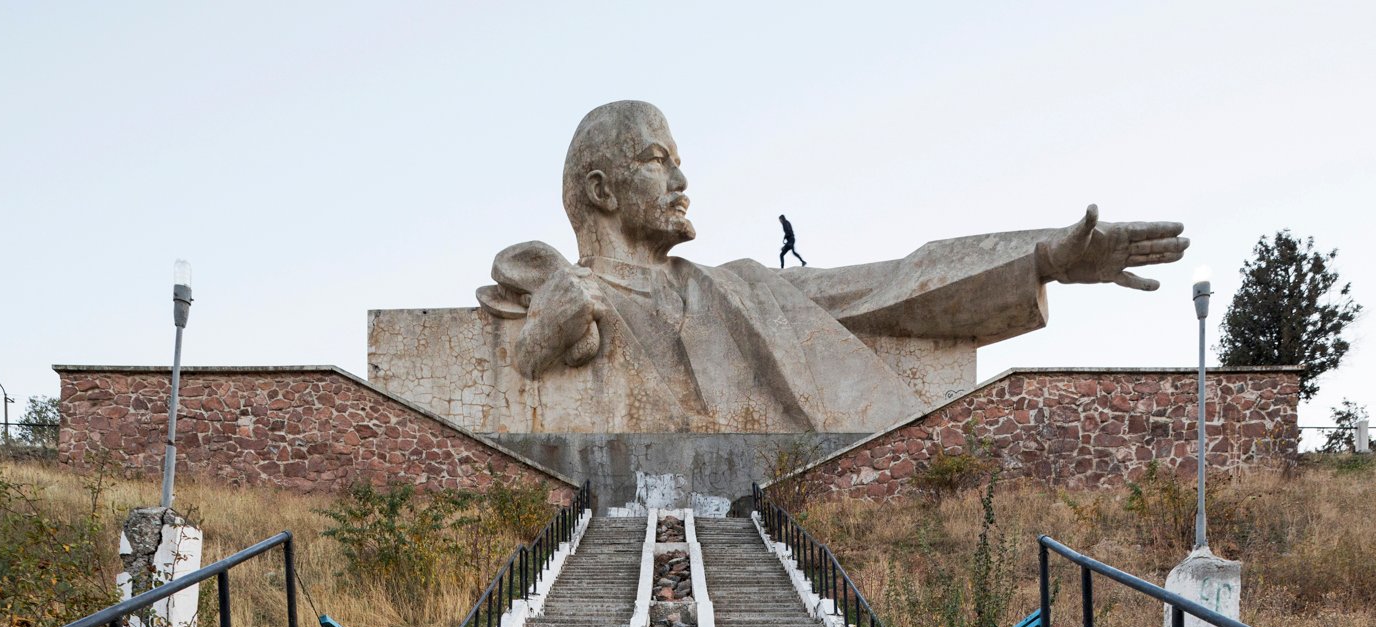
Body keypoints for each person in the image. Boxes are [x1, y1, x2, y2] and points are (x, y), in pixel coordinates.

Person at [474, 100, 1188, 435]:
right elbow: (514, 375)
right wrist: (540, 341)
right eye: (659, 162)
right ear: (601, 191)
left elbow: (892, 286)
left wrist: (1042, 258)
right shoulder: (560, 295)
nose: (684, 180)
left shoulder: (739, 286)